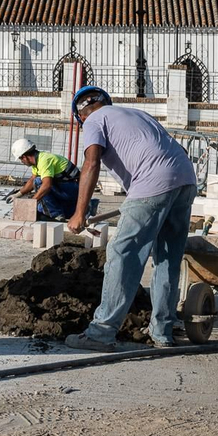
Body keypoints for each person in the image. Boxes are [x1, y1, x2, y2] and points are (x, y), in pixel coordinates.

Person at [62, 85, 200, 352]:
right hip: (185, 179)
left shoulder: (93, 120)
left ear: (80, 117)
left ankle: (101, 333)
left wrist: (79, 214)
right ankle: (162, 332)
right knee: (167, 257)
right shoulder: (135, 113)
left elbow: (91, 162)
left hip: (152, 182)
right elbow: (173, 148)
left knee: (122, 252)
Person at [11, 138, 97, 222]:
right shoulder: (37, 161)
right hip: (70, 190)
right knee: (41, 207)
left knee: (39, 183)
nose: (21, 161)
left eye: (20, 159)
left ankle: (55, 215)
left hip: (75, 189)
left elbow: (46, 186)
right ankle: (88, 207)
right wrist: (18, 194)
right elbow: (31, 181)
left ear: (24, 157)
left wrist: (32, 202)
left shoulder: (44, 160)